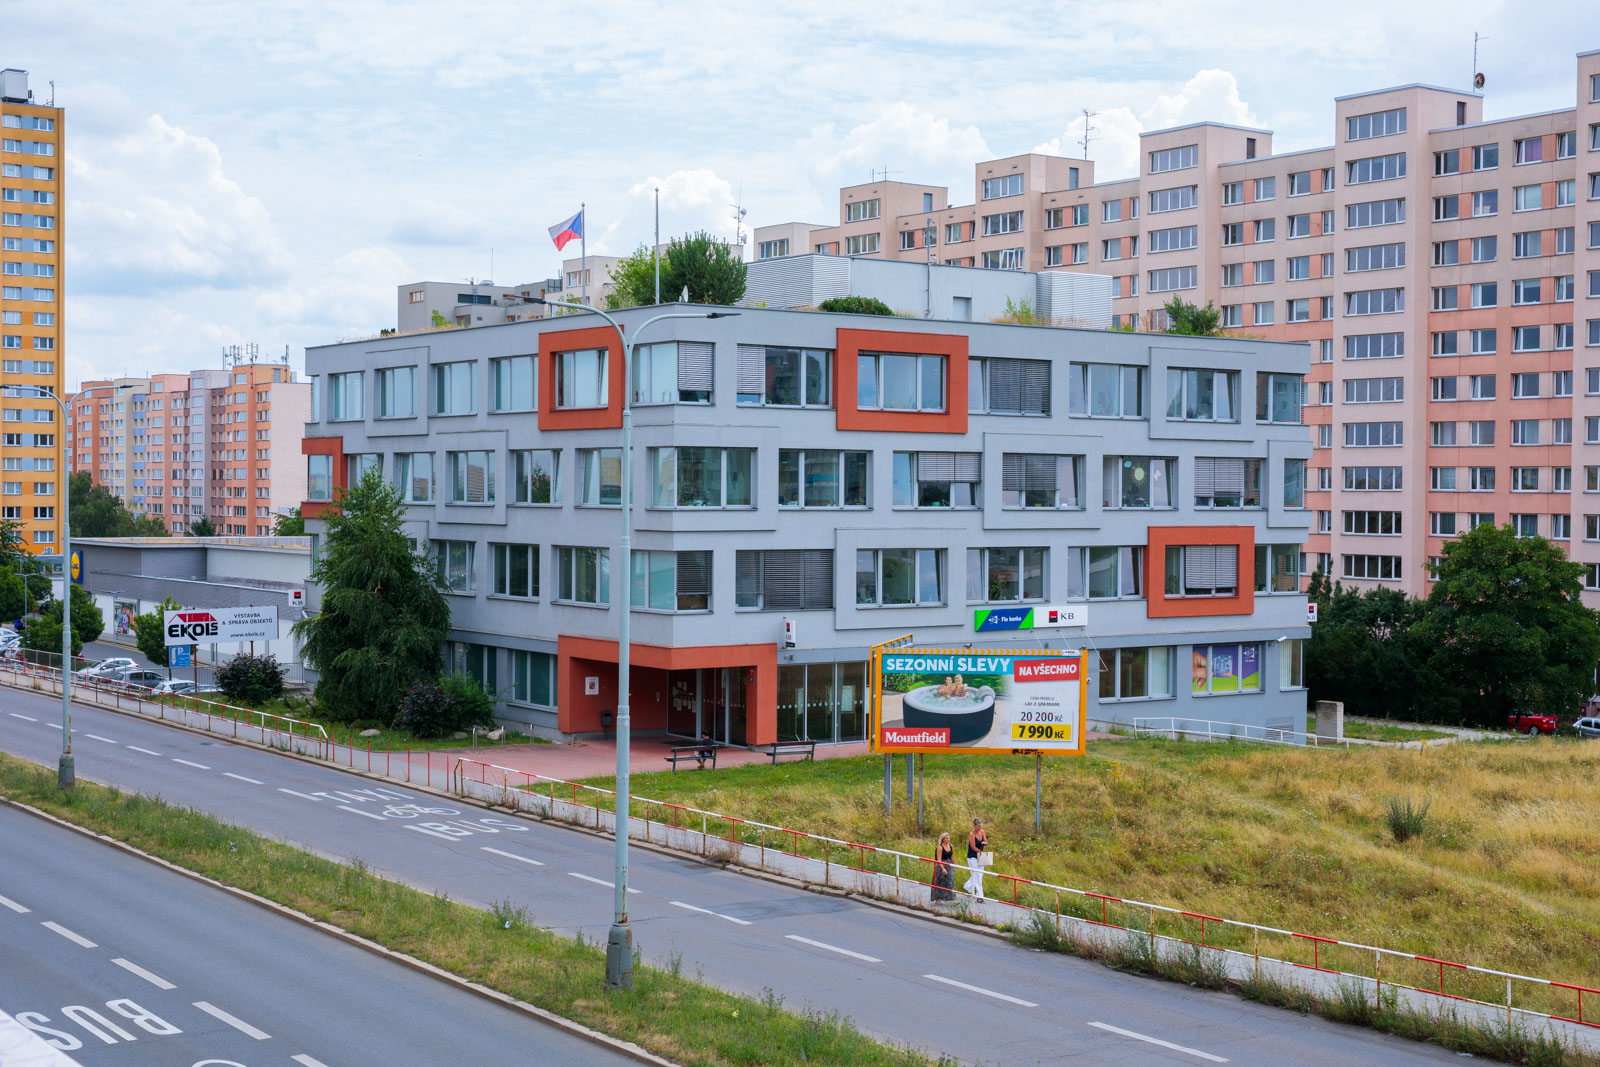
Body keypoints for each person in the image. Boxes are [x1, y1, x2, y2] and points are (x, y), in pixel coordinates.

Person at [964, 818, 989, 900]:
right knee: (977, 876)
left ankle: (968, 887)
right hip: (972, 857)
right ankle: (980, 896)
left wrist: (984, 843)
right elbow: (973, 847)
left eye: (980, 826)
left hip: (981, 856)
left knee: (979, 875)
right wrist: (980, 851)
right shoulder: (972, 834)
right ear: (974, 826)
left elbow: (986, 841)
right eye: (978, 826)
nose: (980, 828)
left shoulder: (982, 832)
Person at [931, 832, 956, 903]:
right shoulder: (940, 847)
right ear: (943, 839)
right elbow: (938, 859)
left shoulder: (951, 846)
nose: (948, 840)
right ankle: (937, 898)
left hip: (949, 864)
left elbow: (952, 856)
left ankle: (953, 898)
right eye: (946, 838)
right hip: (941, 865)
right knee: (939, 882)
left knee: (951, 880)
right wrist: (942, 868)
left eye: (949, 838)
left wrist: (954, 865)